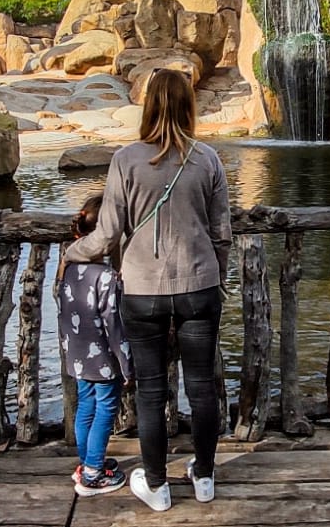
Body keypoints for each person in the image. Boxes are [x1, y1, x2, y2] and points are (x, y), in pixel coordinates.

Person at [65, 69, 231, 512]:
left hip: (142, 292)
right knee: (202, 387)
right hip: (200, 285)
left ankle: (156, 485)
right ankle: (204, 477)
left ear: (148, 106)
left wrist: (72, 252)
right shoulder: (208, 159)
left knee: (151, 391)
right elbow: (222, 234)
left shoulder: (126, 160)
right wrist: (219, 277)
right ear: (189, 106)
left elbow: (107, 234)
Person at [58, 194, 132, 497]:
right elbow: (114, 325)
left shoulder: (68, 269)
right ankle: (93, 474)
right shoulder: (106, 277)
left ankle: (87, 460)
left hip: (77, 356)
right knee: (106, 409)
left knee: (86, 405)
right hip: (103, 359)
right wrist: (126, 364)